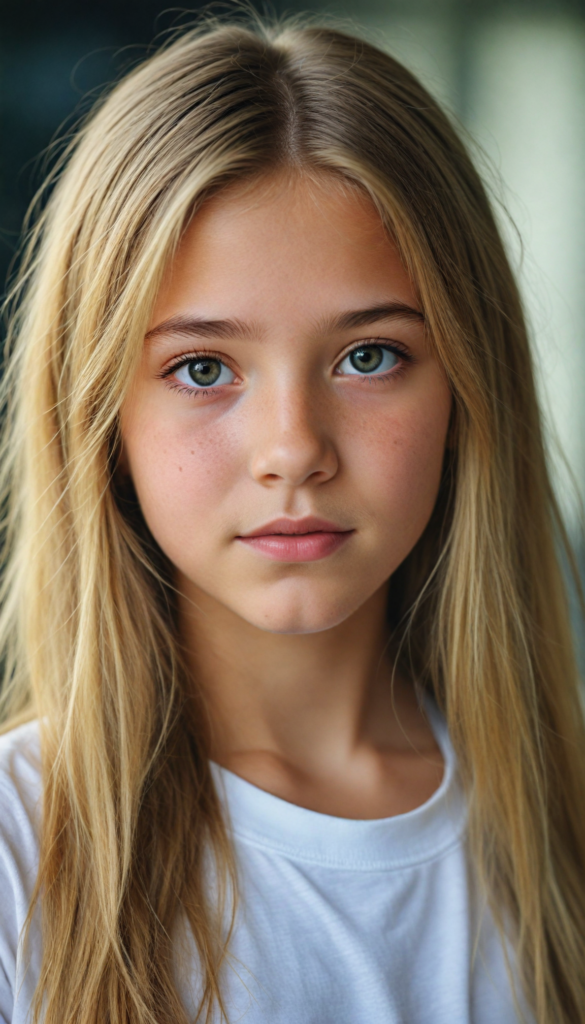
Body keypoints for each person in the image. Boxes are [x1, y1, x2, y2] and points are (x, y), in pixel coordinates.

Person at [0, 14, 584, 1024]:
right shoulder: (20, 851)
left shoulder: (559, 827)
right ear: (98, 419)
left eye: (369, 356)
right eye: (202, 369)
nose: (293, 447)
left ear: (466, 391)